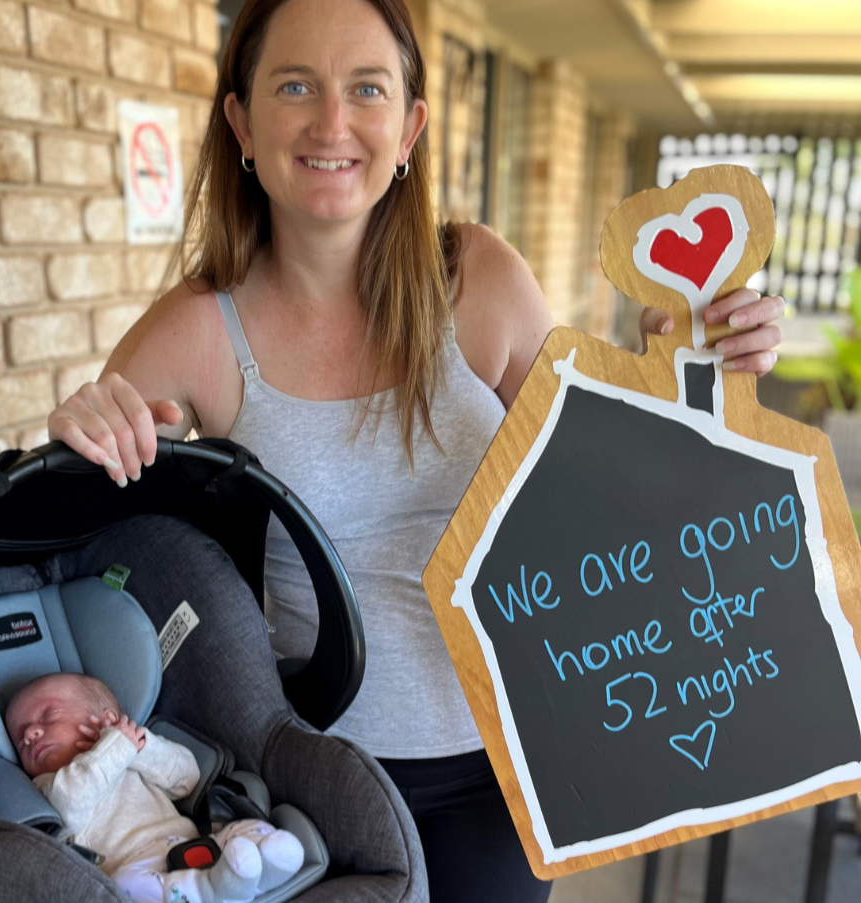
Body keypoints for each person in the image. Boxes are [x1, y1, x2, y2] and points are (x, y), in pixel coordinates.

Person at [46, 0, 786, 897]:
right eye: (294, 86)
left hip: (506, 752)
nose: (332, 122)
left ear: (409, 128)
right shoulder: (200, 331)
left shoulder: (476, 280)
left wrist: (691, 375)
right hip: (313, 786)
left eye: (367, 87)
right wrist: (89, 431)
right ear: (241, 121)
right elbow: (87, 546)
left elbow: (598, 482)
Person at [4, 672, 305, 903]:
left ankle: (265, 862)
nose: (30, 733)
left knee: (239, 835)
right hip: (136, 872)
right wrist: (111, 752)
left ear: (106, 720)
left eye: (49, 716)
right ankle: (216, 888)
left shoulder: (134, 752)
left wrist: (138, 747)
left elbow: (186, 779)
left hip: (190, 843)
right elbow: (70, 803)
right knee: (129, 887)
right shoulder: (48, 786)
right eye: (20, 740)